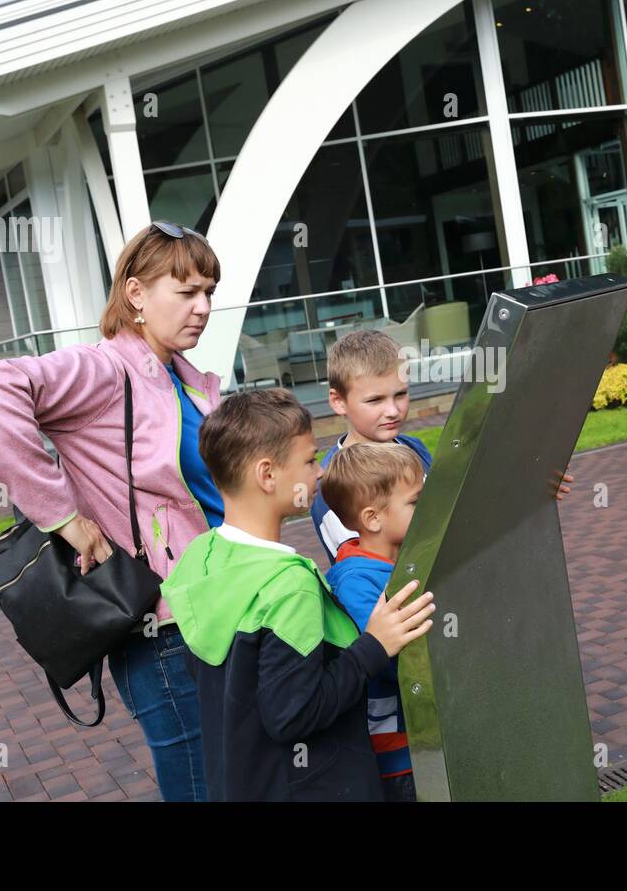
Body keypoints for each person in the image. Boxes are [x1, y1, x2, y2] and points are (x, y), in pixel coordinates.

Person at [0, 221, 224, 801]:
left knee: (231, 773)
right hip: (162, 625)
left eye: (209, 293)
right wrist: (63, 516)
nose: (202, 308)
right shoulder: (106, 370)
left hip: (218, 603)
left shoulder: (186, 379)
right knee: (202, 784)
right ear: (135, 295)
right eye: (186, 293)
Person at [161, 389, 435, 800]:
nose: (319, 473)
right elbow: (294, 713)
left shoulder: (202, 556)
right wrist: (374, 646)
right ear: (267, 475)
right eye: (309, 461)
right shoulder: (288, 586)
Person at [310, 328, 574, 565]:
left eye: (400, 394)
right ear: (338, 401)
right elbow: (361, 571)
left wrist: (524, 489)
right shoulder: (332, 484)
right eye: (375, 400)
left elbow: (452, 510)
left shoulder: (412, 447)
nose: (392, 410)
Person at [319, 441, 426, 801]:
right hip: (397, 754)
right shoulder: (357, 582)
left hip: (417, 739)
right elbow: (399, 658)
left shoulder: (401, 558)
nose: (426, 508)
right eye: (415, 501)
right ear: (372, 518)